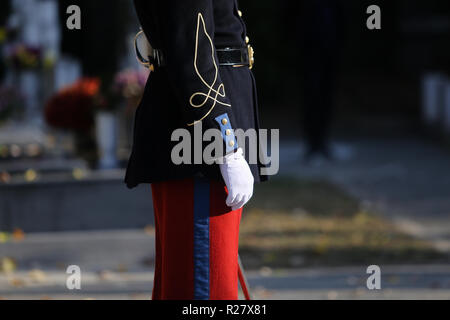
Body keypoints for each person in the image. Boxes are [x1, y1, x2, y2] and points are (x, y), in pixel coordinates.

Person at [126, 0, 266, 300]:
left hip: (199, 135)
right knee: (203, 288)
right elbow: (193, 56)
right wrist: (225, 145)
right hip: (200, 142)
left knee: (191, 279)